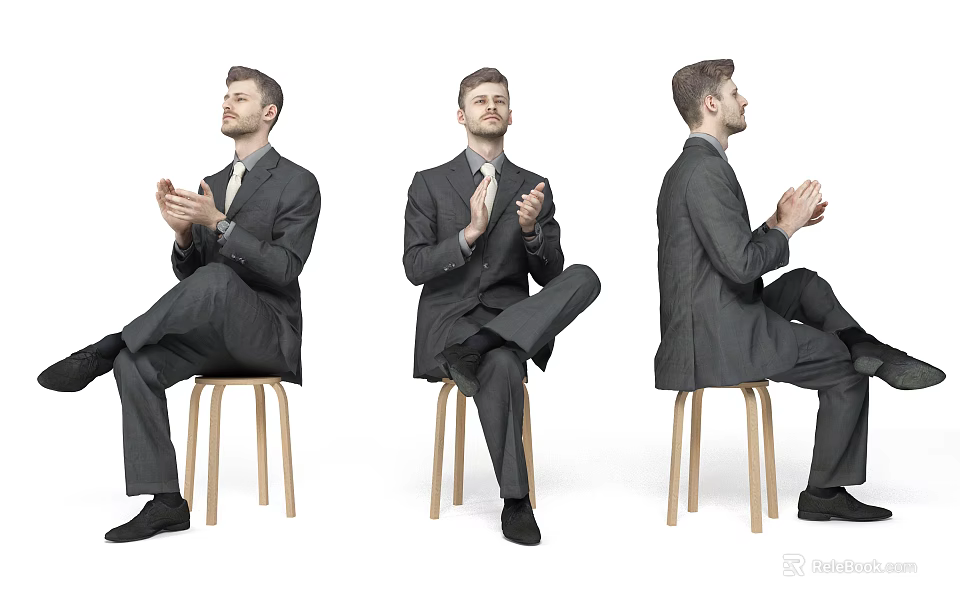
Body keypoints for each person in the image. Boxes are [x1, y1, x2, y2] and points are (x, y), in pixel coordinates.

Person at [38, 66, 321, 542]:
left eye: (241, 98)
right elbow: (194, 282)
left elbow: (286, 268)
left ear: (269, 113)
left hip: (267, 334)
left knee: (213, 281)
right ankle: (166, 502)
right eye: (226, 97)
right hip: (215, 335)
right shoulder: (210, 180)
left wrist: (220, 223)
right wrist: (185, 236)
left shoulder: (299, 181)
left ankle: (106, 344)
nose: (227, 104)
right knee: (135, 363)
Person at [656, 59, 945, 522]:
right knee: (845, 369)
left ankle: (867, 344)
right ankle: (823, 493)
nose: (743, 99)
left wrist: (774, 222)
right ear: (712, 104)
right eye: (734, 93)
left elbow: (721, 255)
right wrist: (786, 230)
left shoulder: (692, 168)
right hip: (718, 339)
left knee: (804, 284)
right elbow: (741, 264)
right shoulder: (706, 172)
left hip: (708, 319)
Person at [403, 67, 601, 545]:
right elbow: (414, 266)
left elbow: (552, 277)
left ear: (511, 115)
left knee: (585, 278)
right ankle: (516, 502)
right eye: (479, 100)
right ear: (461, 114)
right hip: (449, 323)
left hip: (510, 321)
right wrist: (468, 234)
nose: (490, 106)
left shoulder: (534, 186)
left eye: (499, 100)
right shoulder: (428, 183)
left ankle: (480, 345)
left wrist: (532, 231)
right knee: (504, 367)